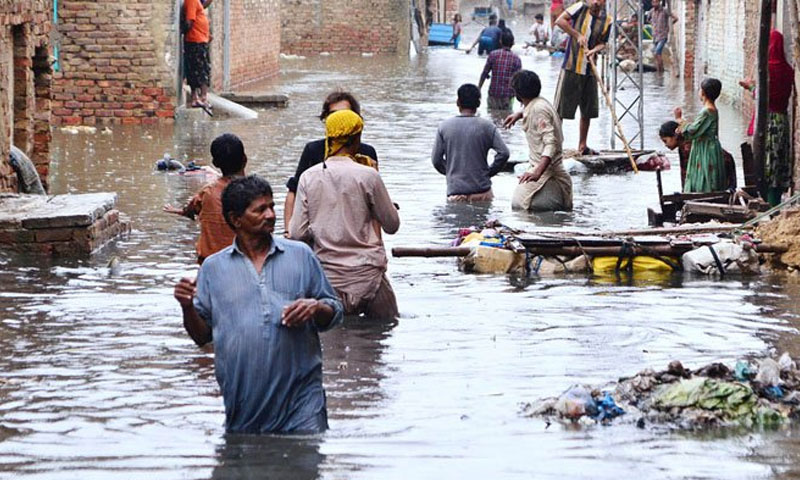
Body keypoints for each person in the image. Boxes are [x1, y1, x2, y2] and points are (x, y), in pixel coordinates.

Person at [174, 175, 343, 434]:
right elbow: (202, 336)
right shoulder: (213, 269)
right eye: (260, 209)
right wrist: (186, 306)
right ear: (236, 219)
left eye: (272, 206)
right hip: (243, 404)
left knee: (304, 460)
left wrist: (315, 307)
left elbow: (335, 311)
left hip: (302, 403)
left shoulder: (301, 255)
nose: (272, 215)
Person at [289, 110, 400, 319]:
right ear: (357, 138)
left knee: (332, 345)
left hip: (327, 278)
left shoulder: (308, 178)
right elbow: (392, 225)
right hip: (369, 275)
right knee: (384, 333)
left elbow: (296, 234)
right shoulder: (369, 175)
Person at [284, 91, 378, 231]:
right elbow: (294, 191)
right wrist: (288, 231)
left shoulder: (367, 154)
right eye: (333, 115)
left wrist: (377, 241)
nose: (339, 119)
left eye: (345, 114)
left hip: (357, 231)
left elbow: (375, 203)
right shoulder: (313, 150)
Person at [163, 133, 246, 264]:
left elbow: (191, 209)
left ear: (215, 163)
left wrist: (180, 211)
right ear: (245, 159)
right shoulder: (256, 193)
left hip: (211, 264)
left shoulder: (207, 193)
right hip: (245, 263)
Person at [739, 31, 794, 206]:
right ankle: (774, 203)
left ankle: (768, 205)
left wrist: (750, 87)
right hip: (782, 121)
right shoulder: (789, 70)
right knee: (778, 164)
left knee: (765, 164)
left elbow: (763, 96)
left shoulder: (766, 69)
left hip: (767, 122)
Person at [504, 70, 573, 211]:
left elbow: (550, 144)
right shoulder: (539, 104)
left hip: (547, 175)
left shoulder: (538, 110)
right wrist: (519, 114)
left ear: (518, 94)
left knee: (519, 207)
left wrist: (537, 172)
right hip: (547, 171)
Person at [431, 84, 510, 202]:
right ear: (478, 104)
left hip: (456, 194)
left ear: (458, 102)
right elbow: (504, 153)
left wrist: (452, 173)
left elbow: (436, 160)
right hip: (482, 192)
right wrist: (489, 172)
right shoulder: (487, 127)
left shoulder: (444, 127)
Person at [554, 0, 611, 155]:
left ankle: (582, 145)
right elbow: (560, 21)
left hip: (590, 70)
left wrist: (593, 51)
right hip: (572, 66)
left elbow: (603, 43)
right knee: (561, 109)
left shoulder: (607, 20)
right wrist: (577, 35)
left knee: (588, 110)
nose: (595, 2)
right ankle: (555, 144)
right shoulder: (580, 8)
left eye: (599, 0)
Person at [673, 78, 727, 193]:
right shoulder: (712, 109)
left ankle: (703, 198)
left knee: (705, 177)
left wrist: (679, 120)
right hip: (708, 145)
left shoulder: (707, 111)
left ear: (703, 93)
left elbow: (693, 130)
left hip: (705, 148)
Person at [659, 120, 736, 191]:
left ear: (675, 136)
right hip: (724, 160)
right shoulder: (687, 143)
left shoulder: (687, 147)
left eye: (665, 141)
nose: (665, 145)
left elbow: (687, 174)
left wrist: (685, 193)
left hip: (718, 163)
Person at [479, 31, 522, 111]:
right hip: (508, 96)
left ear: (500, 41)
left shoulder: (493, 55)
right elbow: (518, 80)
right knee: (506, 118)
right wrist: (521, 98)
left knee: (492, 116)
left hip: (494, 93)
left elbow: (484, 74)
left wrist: (479, 89)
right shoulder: (516, 59)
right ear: (513, 43)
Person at [183, 0, 213, 110]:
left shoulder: (196, 2)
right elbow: (189, 22)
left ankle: (200, 98)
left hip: (200, 40)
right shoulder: (192, 1)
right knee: (199, 70)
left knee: (200, 69)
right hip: (195, 41)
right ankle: (200, 98)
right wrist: (183, 31)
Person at [650, 1, 677, 72]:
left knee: (657, 52)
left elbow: (675, 18)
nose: (654, 4)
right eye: (653, 2)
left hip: (663, 35)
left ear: (659, 2)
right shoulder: (651, 11)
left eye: (656, 2)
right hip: (655, 35)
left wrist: (668, 26)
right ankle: (660, 70)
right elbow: (648, 19)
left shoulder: (664, 10)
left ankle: (661, 71)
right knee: (657, 55)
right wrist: (653, 26)